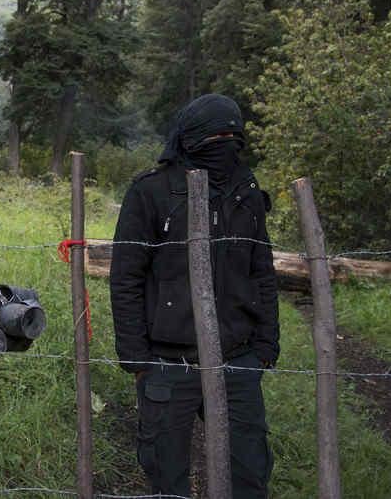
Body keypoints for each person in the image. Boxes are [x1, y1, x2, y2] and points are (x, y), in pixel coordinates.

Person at [110, 93, 279, 498]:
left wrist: (266, 345)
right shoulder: (151, 193)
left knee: (250, 473)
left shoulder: (247, 192)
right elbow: (126, 277)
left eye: (231, 135)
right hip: (168, 361)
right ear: (189, 137)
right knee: (166, 477)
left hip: (237, 358)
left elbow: (262, 271)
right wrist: (137, 358)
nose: (224, 143)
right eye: (213, 135)